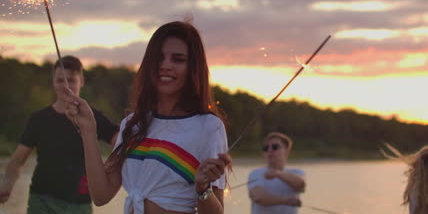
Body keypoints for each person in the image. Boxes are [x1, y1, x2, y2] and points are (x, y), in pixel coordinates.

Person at [62, 20, 231, 214]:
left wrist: (203, 189)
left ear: (193, 67)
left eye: (178, 59)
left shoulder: (208, 127)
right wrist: (88, 130)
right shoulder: (133, 125)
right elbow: (101, 196)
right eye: (159, 58)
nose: (165, 65)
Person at [0, 55, 119, 214]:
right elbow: (17, 160)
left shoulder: (93, 118)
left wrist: (107, 171)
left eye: (71, 80)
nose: (66, 87)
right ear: (53, 82)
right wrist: (7, 182)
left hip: (79, 204)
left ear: (81, 81)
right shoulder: (39, 119)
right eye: (60, 80)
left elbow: (122, 142)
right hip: (41, 201)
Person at [248, 132, 305, 214]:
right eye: (266, 148)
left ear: (287, 151)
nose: (270, 150)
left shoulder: (297, 172)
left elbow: (301, 184)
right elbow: (258, 197)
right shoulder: (256, 173)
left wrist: (278, 174)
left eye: (275, 147)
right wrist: (286, 201)